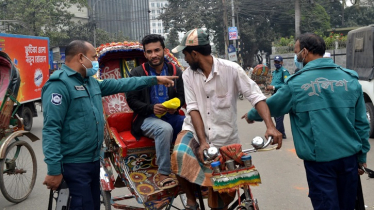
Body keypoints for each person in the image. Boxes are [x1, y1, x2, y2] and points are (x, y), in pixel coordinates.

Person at [42, 40, 178, 210]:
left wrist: (154, 79)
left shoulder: (90, 82)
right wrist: (54, 170)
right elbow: (51, 129)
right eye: (93, 57)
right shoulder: (59, 86)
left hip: (93, 160)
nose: (95, 62)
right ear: (80, 57)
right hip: (74, 164)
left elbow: (122, 84)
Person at [246, 33, 370, 210]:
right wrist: (362, 156)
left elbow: (272, 106)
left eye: (296, 51)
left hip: (320, 164)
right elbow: (362, 124)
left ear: (305, 52)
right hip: (349, 159)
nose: (296, 56)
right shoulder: (350, 80)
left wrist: (252, 114)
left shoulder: (295, 85)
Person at [170, 28, 282, 210]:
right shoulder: (188, 75)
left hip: (225, 136)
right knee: (179, 155)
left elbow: (256, 96)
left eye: (185, 53)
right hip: (194, 130)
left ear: (195, 53)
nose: (185, 58)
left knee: (221, 199)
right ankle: (191, 201)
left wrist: (270, 126)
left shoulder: (232, 70)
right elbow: (193, 108)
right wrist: (204, 142)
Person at [126, 34, 185, 189]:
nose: (154, 55)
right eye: (149, 52)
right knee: (164, 129)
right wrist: (151, 108)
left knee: (190, 123)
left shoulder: (175, 70)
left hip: (170, 115)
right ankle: (164, 173)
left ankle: (188, 166)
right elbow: (132, 101)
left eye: (157, 50)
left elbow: (181, 96)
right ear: (145, 54)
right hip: (146, 118)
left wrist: (174, 107)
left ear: (164, 50)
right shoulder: (137, 73)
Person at [265, 55, 290, 139]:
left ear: (282, 62)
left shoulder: (284, 71)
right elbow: (273, 83)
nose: (276, 63)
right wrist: (270, 88)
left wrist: (274, 87)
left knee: (279, 116)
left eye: (278, 62)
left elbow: (286, 84)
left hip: (281, 95)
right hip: (274, 95)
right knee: (276, 115)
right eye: (275, 62)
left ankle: (277, 134)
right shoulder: (274, 72)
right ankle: (282, 133)